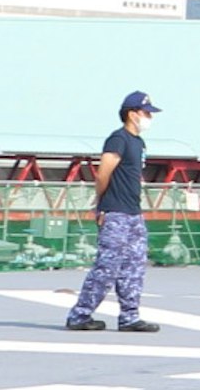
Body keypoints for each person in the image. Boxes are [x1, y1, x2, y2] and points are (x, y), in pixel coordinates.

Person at [61, 92, 162, 333]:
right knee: (107, 267)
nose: (149, 117)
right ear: (131, 114)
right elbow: (103, 172)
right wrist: (101, 203)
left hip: (134, 214)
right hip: (115, 212)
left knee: (134, 267)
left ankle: (129, 316)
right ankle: (80, 315)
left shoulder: (139, 143)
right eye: (146, 112)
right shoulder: (118, 139)